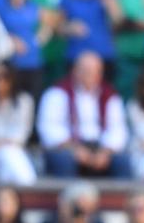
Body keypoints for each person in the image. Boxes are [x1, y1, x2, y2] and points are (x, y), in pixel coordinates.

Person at [37, 50, 131, 179]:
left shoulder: (110, 96)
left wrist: (106, 152)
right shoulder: (56, 93)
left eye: (95, 71)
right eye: (85, 70)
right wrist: (74, 150)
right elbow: (49, 129)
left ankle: (124, 199)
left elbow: (118, 130)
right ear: (75, 70)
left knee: (122, 160)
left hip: (100, 147)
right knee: (63, 159)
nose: (90, 75)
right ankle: (69, 198)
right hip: (68, 147)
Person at [0, 0, 48, 95]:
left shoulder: (31, 3)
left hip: (33, 64)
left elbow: (49, 20)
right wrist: (8, 39)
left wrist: (39, 39)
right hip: (8, 65)